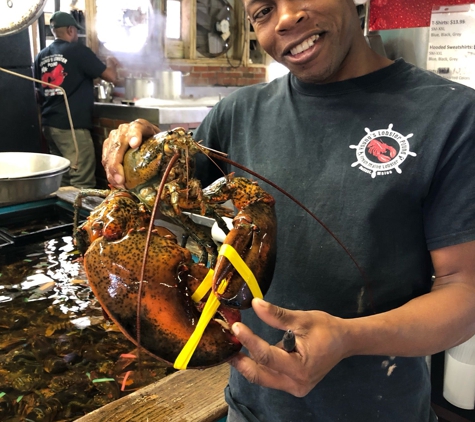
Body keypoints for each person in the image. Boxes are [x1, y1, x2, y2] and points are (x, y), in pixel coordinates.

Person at [101, 0, 475, 420]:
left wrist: (350, 337)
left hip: (379, 408)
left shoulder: (453, 114)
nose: (286, 18)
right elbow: (162, 209)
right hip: (249, 405)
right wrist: (136, 156)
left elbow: (465, 289)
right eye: (263, 11)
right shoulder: (236, 112)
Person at [34, 11, 118, 189]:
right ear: (71, 30)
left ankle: (63, 216)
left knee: (62, 179)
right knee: (83, 182)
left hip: (50, 125)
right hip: (71, 127)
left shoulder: (41, 56)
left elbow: (39, 91)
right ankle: (79, 218)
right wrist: (111, 62)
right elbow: (110, 76)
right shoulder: (78, 51)